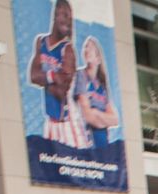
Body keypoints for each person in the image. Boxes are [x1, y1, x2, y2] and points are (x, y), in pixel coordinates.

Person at [30, 0, 87, 149]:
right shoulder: (41, 41)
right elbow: (33, 76)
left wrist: (46, 80)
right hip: (50, 121)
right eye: (64, 15)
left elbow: (61, 91)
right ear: (55, 15)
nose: (67, 21)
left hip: (68, 122)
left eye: (70, 18)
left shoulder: (67, 49)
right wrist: (54, 77)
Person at [74, 36, 119, 150]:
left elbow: (115, 119)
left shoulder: (102, 86)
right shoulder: (81, 76)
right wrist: (103, 119)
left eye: (91, 47)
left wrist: (97, 114)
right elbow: (87, 115)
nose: (87, 50)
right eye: (85, 47)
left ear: (98, 58)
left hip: (103, 143)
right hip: (86, 140)